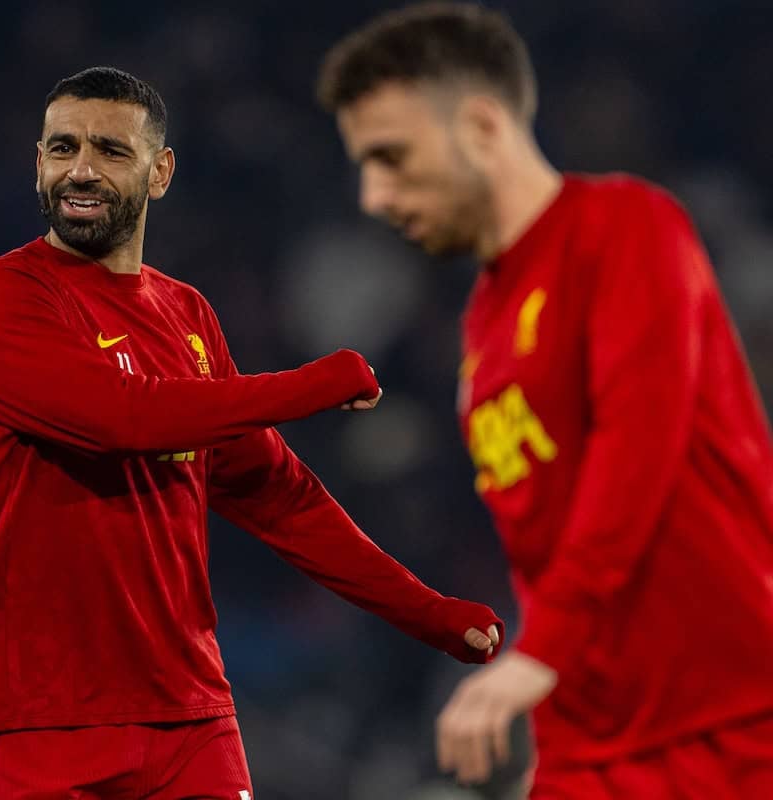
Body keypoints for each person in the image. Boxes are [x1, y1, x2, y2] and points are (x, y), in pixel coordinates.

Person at [0, 65, 503, 798]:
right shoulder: (1, 296)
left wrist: (426, 612)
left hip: (188, 716)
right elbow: (120, 417)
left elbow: (281, 498)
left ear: (160, 173)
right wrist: (311, 385)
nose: (81, 169)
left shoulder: (187, 315)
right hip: (39, 720)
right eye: (62, 148)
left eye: (111, 151)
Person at [316, 3, 773, 797]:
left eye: (393, 157)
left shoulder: (624, 228)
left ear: (483, 126)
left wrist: (538, 656)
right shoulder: (484, 331)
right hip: (596, 745)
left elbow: (637, 459)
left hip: (730, 724)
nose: (374, 196)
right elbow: (551, 557)